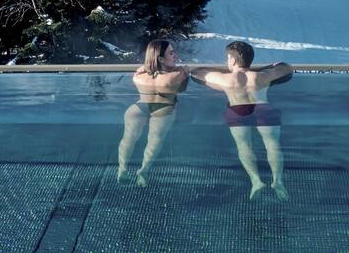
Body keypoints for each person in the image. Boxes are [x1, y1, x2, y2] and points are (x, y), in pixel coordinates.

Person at [192, 41, 294, 200]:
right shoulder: (262, 76)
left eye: (228, 58)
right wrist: (263, 69)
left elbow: (197, 73)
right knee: (273, 144)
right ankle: (277, 180)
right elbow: (286, 68)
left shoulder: (225, 79)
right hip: (262, 108)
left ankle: (256, 181)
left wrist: (228, 71)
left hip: (237, 111)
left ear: (232, 60)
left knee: (244, 145)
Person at [117, 39, 189, 186]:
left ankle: (122, 169)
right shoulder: (177, 74)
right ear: (161, 59)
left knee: (128, 139)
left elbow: (144, 68)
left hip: (139, 108)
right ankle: (143, 171)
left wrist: (149, 66)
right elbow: (182, 88)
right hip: (163, 110)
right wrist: (184, 71)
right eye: (171, 53)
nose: (175, 55)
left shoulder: (139, 75)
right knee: (155, 140)